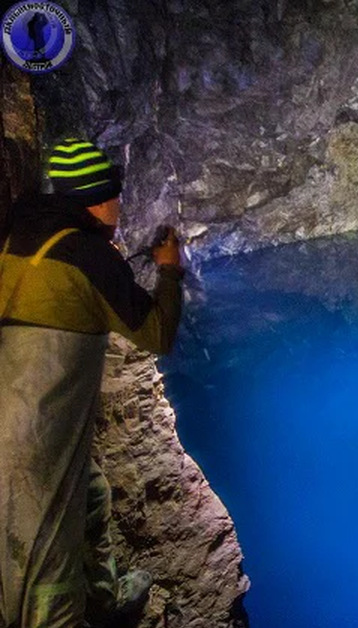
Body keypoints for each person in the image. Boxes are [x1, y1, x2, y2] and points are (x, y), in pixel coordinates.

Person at [0, 138, 183, 627]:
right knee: (48, 569)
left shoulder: (21, 233)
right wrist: (169, 271)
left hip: (19, 410)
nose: (120, 205)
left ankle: (104, 595)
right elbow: (158, 332)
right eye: (115, 196)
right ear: (98, 200)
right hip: (36, 437)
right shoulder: (89, 255)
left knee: (93, 493)